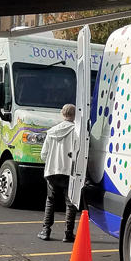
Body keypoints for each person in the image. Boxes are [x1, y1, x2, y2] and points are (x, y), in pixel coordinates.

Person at [37, 104, 79, 242]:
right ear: (74, 115)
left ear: (62, 114)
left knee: (50, 201)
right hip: (68, 171)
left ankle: (45, 230)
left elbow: (43, 154)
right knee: (70, 202)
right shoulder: (76, 132)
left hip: (52, 171)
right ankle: (68, 233)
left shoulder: (51, 132)